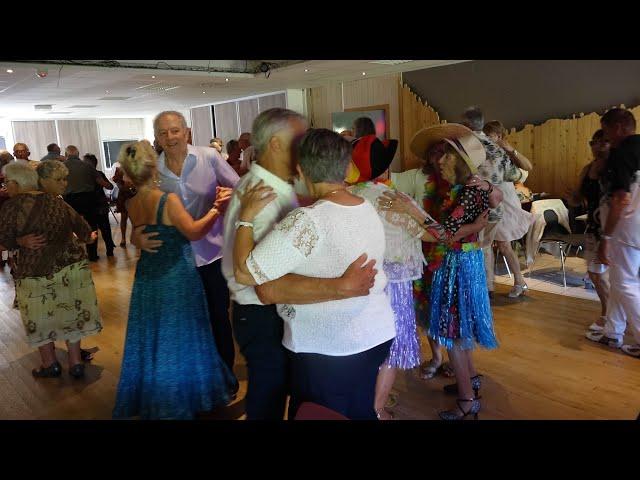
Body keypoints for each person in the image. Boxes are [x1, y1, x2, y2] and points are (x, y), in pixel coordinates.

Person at [221, 108, 378, 420]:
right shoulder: (261, 193)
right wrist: (339, 287)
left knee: (282, 393)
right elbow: (257, 280)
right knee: (269, 399)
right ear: (277, 144)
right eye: (300, 139)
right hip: (261, 313)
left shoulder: (279, 187)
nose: (306, 147)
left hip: (273, 310)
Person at [380, 124, 501, 419]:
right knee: (456, 330)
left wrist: (412, 210)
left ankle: (467, 400)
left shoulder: (470, 192)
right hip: (460, 262)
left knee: (454, 335)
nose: (439, 162)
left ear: (459, 162)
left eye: (445, 158)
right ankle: (469, 381)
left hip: (458, 265)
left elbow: (445, 233)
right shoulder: (474, 187)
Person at [112, 141, 237, 419]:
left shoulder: (132, 203)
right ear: (154, 168)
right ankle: (186, 396)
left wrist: (134, 238)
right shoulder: (167, 200)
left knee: (157, 335)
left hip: (148, 276)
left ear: (129, 175)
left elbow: (140, 233)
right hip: (176, 275)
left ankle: (160, 396)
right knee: (184, 334)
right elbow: (193, 232)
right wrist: (217, 208)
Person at [134, 111, 240, 379]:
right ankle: (195, 381)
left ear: (187, 131)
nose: (169, 138)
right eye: (162, 133)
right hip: (174, 260)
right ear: (156, 137)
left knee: (217, 317)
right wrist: (136, 236)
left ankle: (224, 377)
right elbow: (142, 210)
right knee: (184, 321)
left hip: (211, 254)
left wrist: (230, 198)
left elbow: (239, 188)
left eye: (175, 131)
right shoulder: (154, 171)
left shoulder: (209, 157)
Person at [0, 162, 101, 379]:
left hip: (34, 272)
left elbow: (2, 242)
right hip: (72, 268)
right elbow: (83, 231)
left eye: (6, 182)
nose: (5, 186)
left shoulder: (11, 207)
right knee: (72, 314)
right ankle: (75, 363)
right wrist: (90, 237)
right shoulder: (57, 202)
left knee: (39, 318)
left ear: (17, 182)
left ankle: (50, 364)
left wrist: (19, 241)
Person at [462, 108, 535, 298]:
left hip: (501, 200)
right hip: (498, 203)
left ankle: (491, 286)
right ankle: (498, 284)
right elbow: (515, 174)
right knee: (494, 246)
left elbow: (525, 170)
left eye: (492, 134)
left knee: (497, 245)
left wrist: (511, 150)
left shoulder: (471, 147)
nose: (488, 136)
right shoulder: (496, 151)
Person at [586, 108, 640, 358]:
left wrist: (606, 238)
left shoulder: (622, 154)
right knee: (622, 281)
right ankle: (613, 331)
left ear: (618, 127)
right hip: (635, 228)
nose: (606, 136)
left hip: (626, 229)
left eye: (606, 130)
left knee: (626, 283)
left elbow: (620, 199)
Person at [564, 130, 610, 330]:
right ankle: (607, 312)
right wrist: (573, 197)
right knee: (594, 273)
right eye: (594, 142)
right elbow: (578, 199)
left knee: (619, 277)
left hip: (614, 228)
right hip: (593, 227)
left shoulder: (617, 168)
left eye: (603, 142)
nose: (598, 146)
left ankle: (614, 316)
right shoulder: (587, 169)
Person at [83, 154, 116, 257]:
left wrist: (102, 183)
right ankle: (97, 253)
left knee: (100, 229)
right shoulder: (93, 174)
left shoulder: (97, 174)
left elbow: (110, 186)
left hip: (96, 206)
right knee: (99, 229)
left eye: (85, 162)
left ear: (91, 164)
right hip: (94, 206)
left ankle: (101, 253)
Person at [112, 161, 137, 248]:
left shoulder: (136, 169)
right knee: (124, 218)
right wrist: (124, 187)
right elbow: (117, 182)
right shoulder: (120, 169)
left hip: (134, 196)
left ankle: (135, 237)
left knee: (135, 219)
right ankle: (123, 238)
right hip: (123, 196)